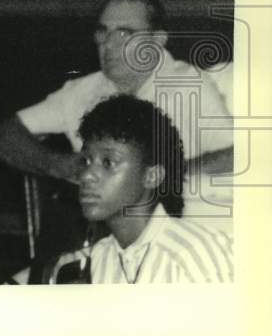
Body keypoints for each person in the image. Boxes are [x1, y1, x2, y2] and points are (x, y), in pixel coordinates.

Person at [0, 0, 234, 257]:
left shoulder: (188, 86)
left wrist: (164, 175)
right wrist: (58, 164)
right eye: (103, 32)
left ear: (158, 40)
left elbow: (240, 156)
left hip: (188, 235)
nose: (109, 44)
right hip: (102, 243)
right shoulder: (82, 92)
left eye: (125, 33)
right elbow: (3, 138)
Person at [74, 95, 232, 283]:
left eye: (108, 162)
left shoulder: (195, 253)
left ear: (152, 176)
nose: (86, 176)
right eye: (86, 161)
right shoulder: (98, 259)